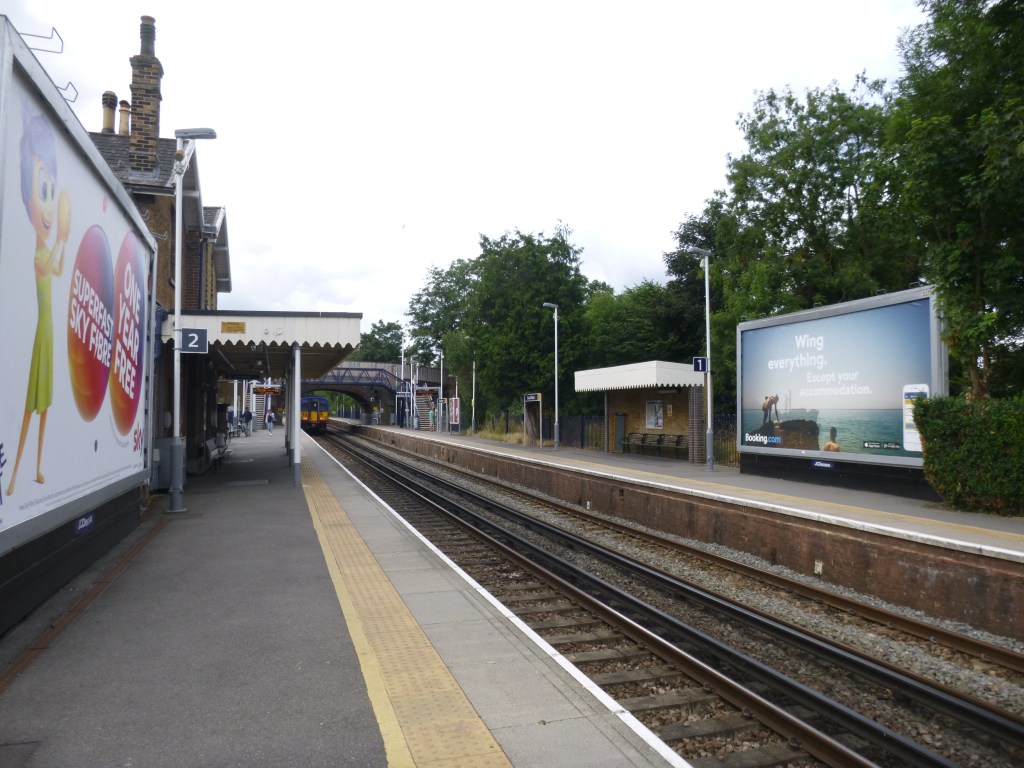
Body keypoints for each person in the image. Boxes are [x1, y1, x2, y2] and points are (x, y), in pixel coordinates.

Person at [8, 104, 70, 496]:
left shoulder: (46, 250)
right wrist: (61, 237)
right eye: (41, 191)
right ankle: (14, 474)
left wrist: (62, 239)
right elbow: (48, 267)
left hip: (49, 335)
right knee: (31, 407)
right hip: (41, 337)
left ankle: (37, 467)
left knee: (44, 405)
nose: (46, 207)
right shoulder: (36, 253)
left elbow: (58, 268)